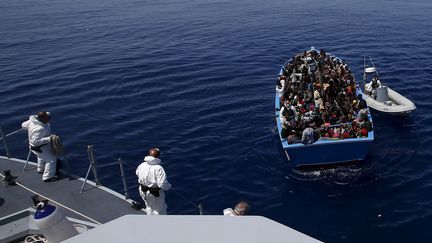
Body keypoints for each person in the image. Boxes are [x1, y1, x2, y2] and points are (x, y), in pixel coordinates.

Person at [21, 111, 57, 182]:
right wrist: (49, 138)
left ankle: (40, 169)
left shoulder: (31, 122)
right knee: (51, 160)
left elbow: (23, 125)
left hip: (32, 146)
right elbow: (36, 142)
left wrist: (29, 128)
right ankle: (47, 177)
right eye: (47, 118)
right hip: (40, 147)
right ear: (42, 118)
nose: (49, 119)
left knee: (40, 156)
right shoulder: (40, 129)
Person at [136, 148, 171, 215]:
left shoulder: (142, 165)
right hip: (155, 193)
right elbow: (162, 184)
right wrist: (169, 186)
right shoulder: (158, 168)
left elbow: (137, 173)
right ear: (158, 156)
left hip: (143, 190)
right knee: (160, 210)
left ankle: (150, 221)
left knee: (149, 207)